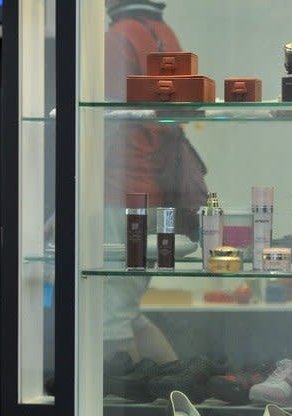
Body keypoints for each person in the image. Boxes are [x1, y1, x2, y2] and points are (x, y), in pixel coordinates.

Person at [102, 0, 192, 365]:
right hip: (158, 194)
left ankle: (118, 412)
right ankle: (183, 385)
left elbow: (104, 122)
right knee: (126, 308)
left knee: (111, 316)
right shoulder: (165, 33)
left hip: (120, 190)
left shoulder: (119, 35)